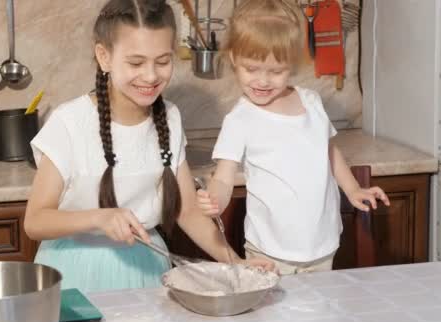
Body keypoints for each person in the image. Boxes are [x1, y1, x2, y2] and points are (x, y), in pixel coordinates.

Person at [23, 0, 274, 293]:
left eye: (163, 61)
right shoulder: (68, 122)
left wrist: (235, 263)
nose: (151, 75)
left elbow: (188, 211)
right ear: (104, 57)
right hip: (75, 273)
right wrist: (99, 217)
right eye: (136, 62)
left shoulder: (170, 117)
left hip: (147, 267)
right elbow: (35, 220)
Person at [196, 0, 390, 275]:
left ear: (292, 64)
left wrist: (353, 189)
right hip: (269, 251)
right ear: (234, 60)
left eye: (276, 71)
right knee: (272, 317)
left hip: (322, 243)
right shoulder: (240, 120)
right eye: (251, 69)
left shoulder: (310, 102)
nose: (263, 81)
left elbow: (328, 151)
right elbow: (224, 177)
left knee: (318, 315)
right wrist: (215, 199)